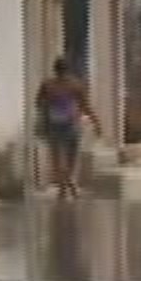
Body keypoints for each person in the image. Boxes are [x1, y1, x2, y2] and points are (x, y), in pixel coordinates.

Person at [35, 56, 99, 198]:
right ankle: (69, 179)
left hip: (53, 123)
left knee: (56, 156)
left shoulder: (47, 84)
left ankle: (63, 186)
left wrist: (51, 105)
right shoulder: (76, 84)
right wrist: (96, 123)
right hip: (72, 124)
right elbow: (86, 106)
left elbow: (38, 103)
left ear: (55, 69)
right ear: (68, 70)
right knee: (72, 155)